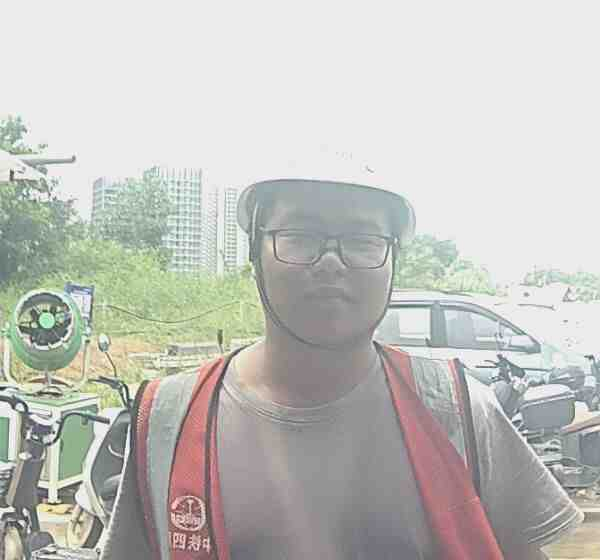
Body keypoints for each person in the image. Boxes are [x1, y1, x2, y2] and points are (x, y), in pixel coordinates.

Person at [102, 160, 583, 559]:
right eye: (300, 235)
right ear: (254, 251)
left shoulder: (459, 411)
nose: (331, 261)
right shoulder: (168, 418)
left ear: (393, 259)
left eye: (362, 240)